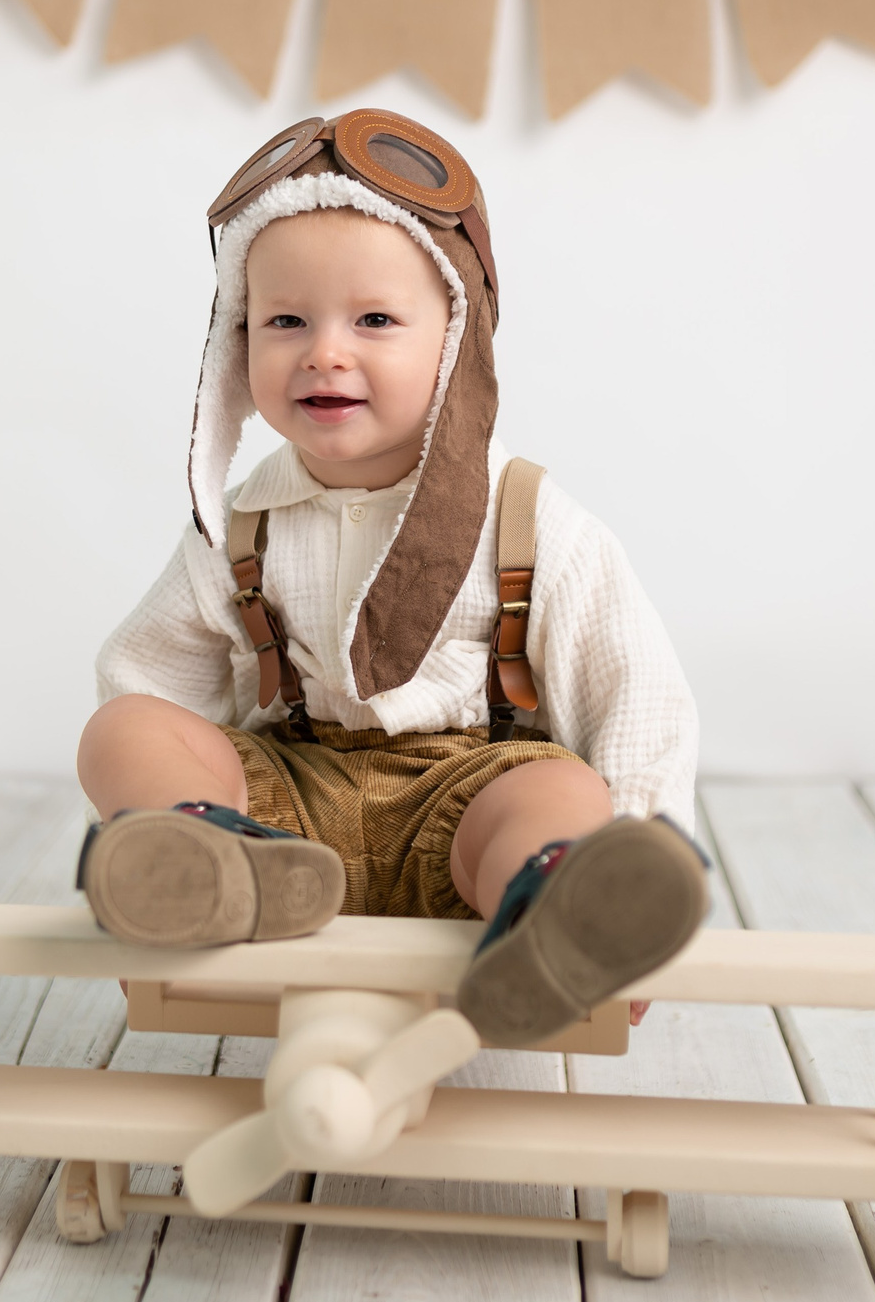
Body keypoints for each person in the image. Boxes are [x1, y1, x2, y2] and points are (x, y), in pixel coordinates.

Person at [76, 110, 705, 1049]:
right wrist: (166, 782)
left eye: (374, 320)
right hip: (289, 812)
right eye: (285, 321)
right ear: (236, 344)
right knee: (121, 726)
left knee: (557, 792)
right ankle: (200, 858)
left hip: (469, 806)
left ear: (455, 337)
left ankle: (570, 906)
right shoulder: (240, 521)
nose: (325, 351)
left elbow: (634, 694)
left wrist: (639, 823)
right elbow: (151, 674)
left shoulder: (529, 518)